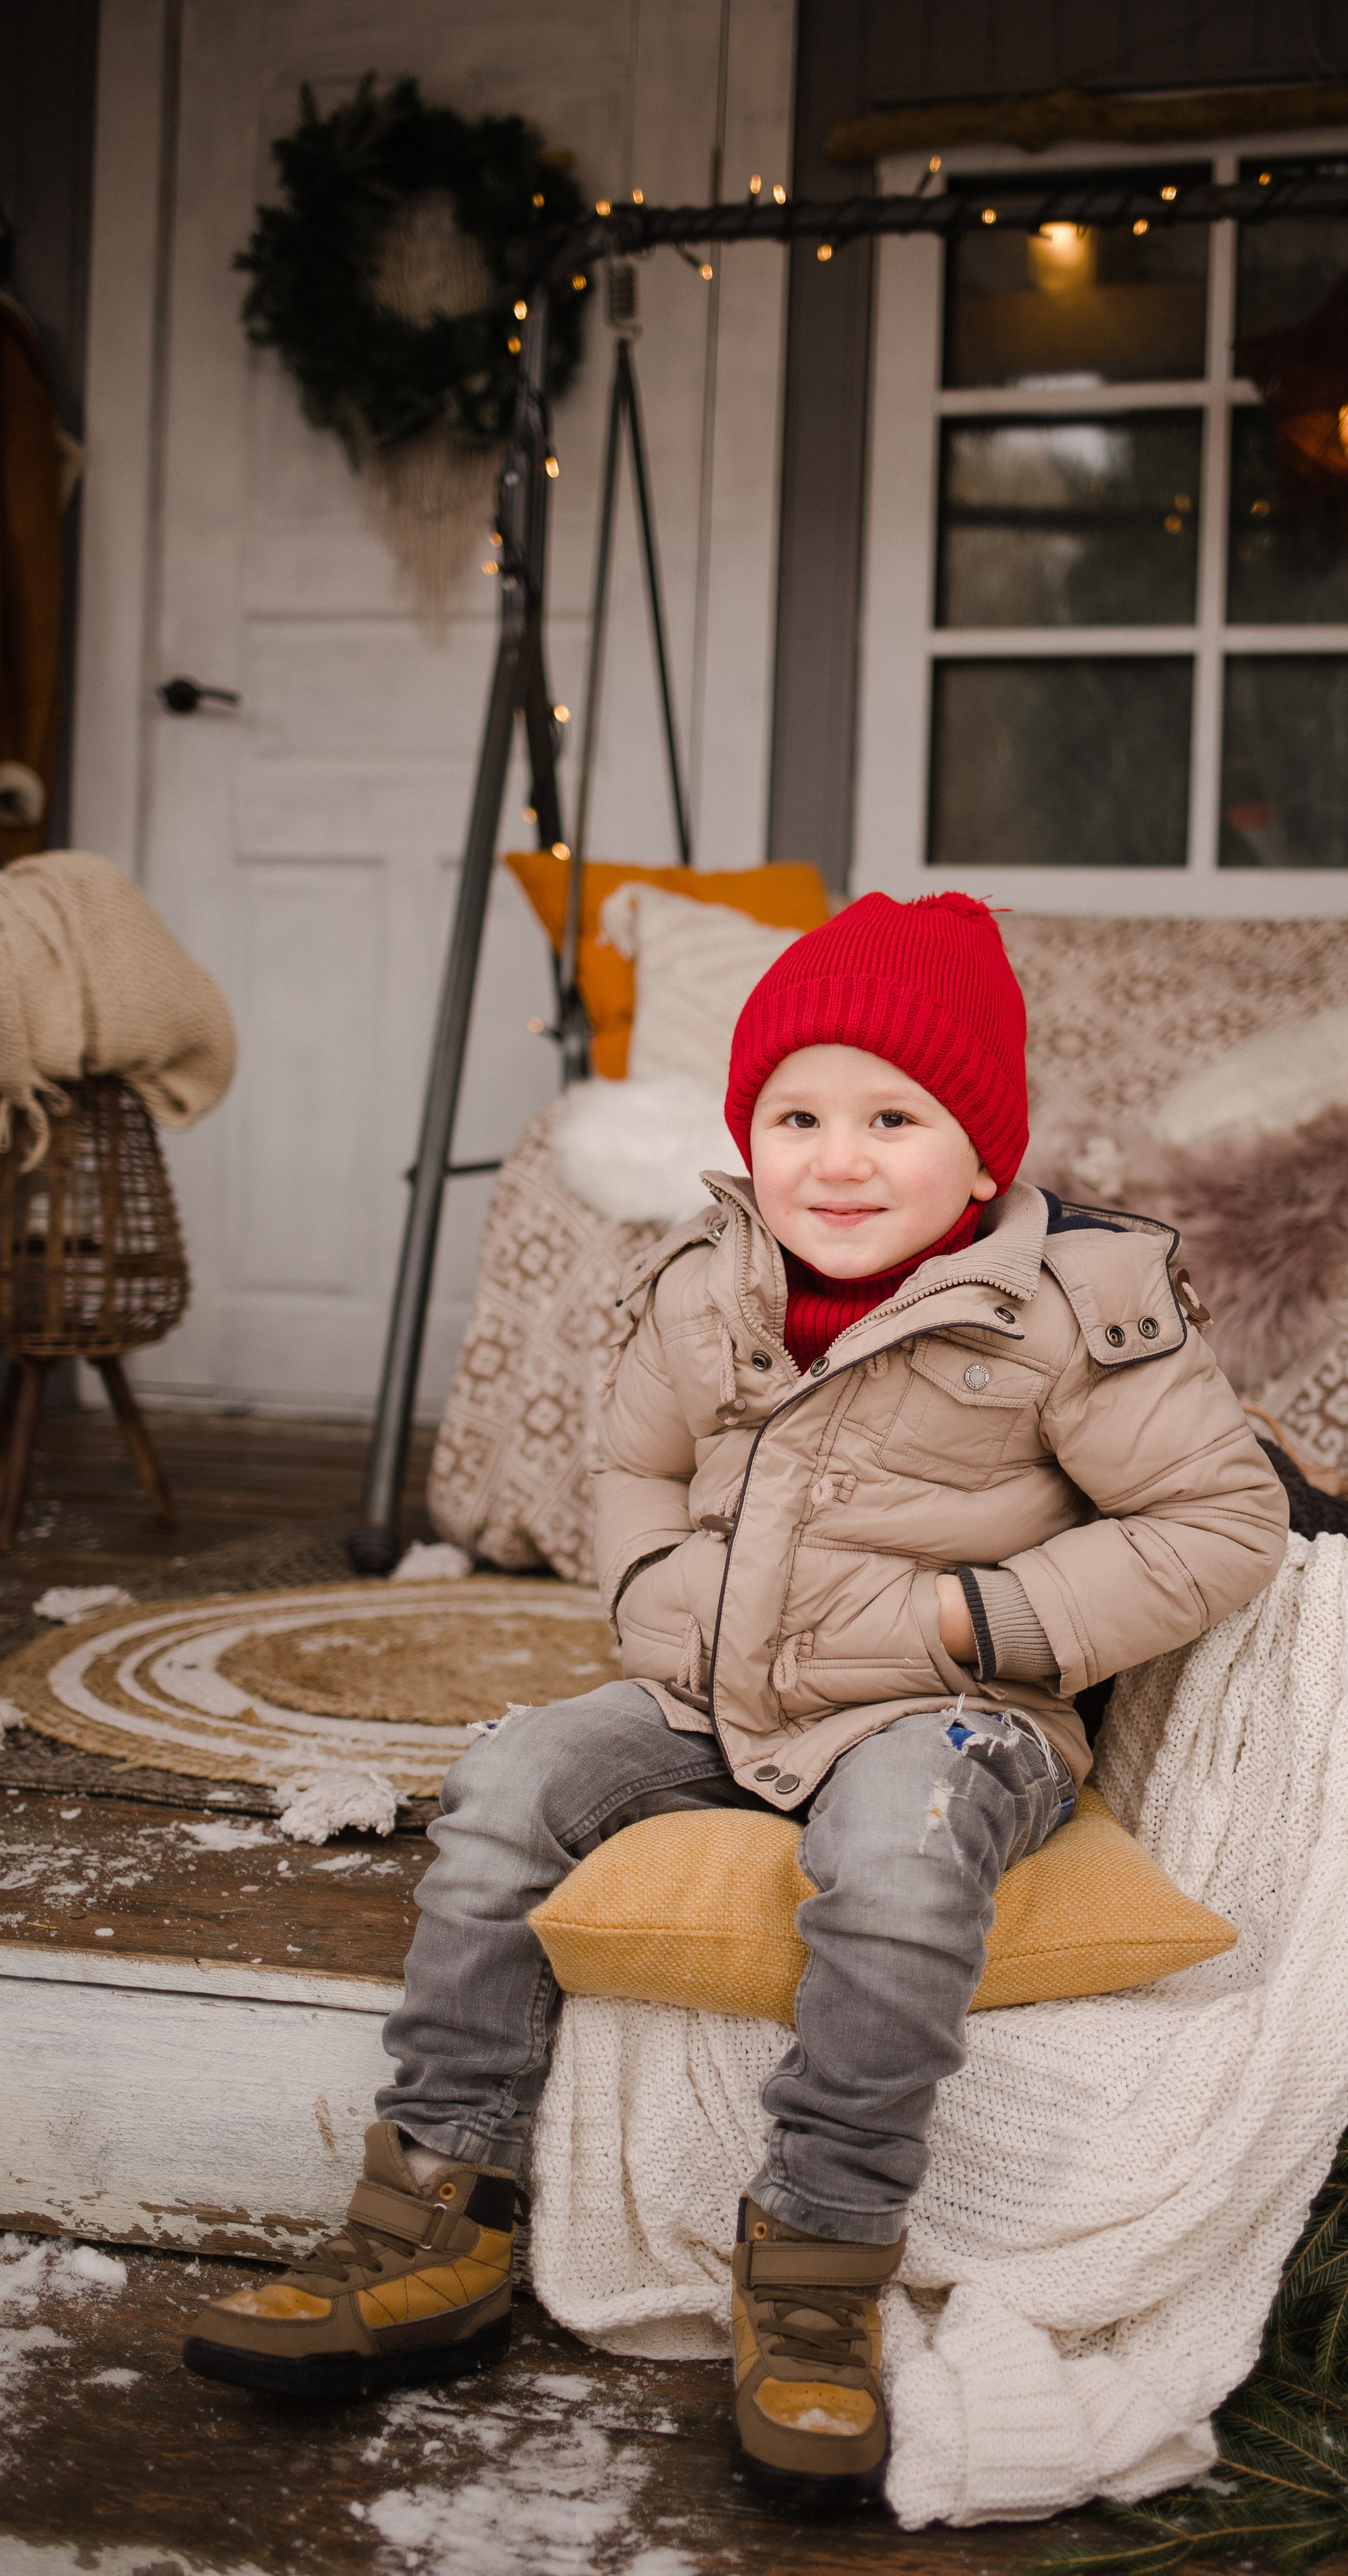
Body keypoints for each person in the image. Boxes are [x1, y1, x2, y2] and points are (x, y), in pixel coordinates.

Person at [182, 892, 1287, 2505]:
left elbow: (1219, 1521)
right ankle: (433, 2221)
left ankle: (818, 2271)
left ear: (980, 1154)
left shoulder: (1067, 1304)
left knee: (897, 1861)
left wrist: (970, 1619)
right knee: (507, 1783)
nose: (836, 1161)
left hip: (948, 1706)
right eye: (795, 1118)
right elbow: (629, 1470)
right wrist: (657, 1600)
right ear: (748, 1135)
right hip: (719, 1690)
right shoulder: (703, 1285)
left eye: (891, 1120)